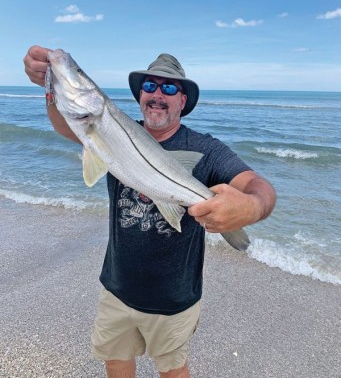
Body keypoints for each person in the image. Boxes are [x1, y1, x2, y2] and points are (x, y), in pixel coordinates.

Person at [23, 46, 276, 378]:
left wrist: (250, 206)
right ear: (140, 95)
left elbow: (259, 186)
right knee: (115, 362)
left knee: (172, 371)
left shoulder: (206, 149)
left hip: (173, 299)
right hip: (117, 288)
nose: (158, 94)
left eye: (170, 88)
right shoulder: (107, 128)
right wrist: (53, 87)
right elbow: (67, 124)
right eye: (150, 86)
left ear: (183, 100)